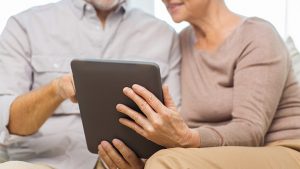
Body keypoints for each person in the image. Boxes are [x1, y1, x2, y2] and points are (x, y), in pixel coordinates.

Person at [98, 0, 300, 169]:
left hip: (280, 148)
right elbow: (179, 124)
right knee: (110, 159)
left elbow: (250, 131)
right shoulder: (181, 42)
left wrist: (185, 138)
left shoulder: (257, 35)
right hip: (214, 151)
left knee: (165, 162)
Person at [0, 0, 181, 168]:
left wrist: (145, 165)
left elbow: (174, 128)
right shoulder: (25, 25)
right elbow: (14, 124)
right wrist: (56, 90)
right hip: (46, 163)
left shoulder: (163, 35)